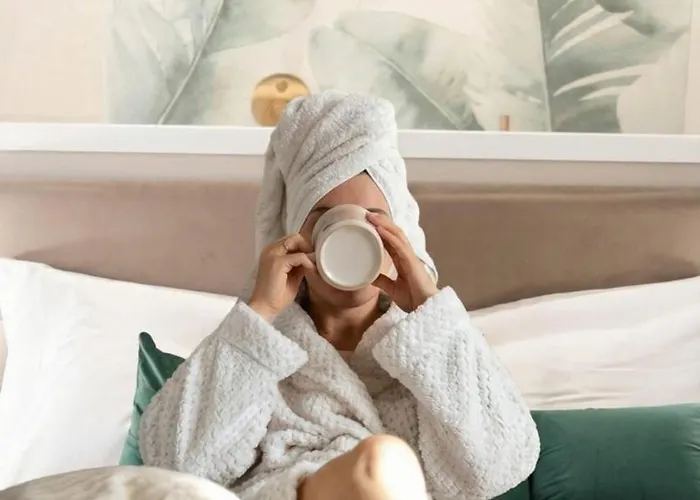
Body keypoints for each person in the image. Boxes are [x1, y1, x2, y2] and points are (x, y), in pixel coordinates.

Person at [139, 91, 540, 500]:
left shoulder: (434, 352)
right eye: (323, 220)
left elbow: (502, 463)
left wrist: (430, 310)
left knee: (382, 462)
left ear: (400, 234)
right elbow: (172, 469)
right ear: (293, 234)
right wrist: (258, 314)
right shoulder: (257, 352)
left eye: (375, 221)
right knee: (377, 464)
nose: (351, 236)